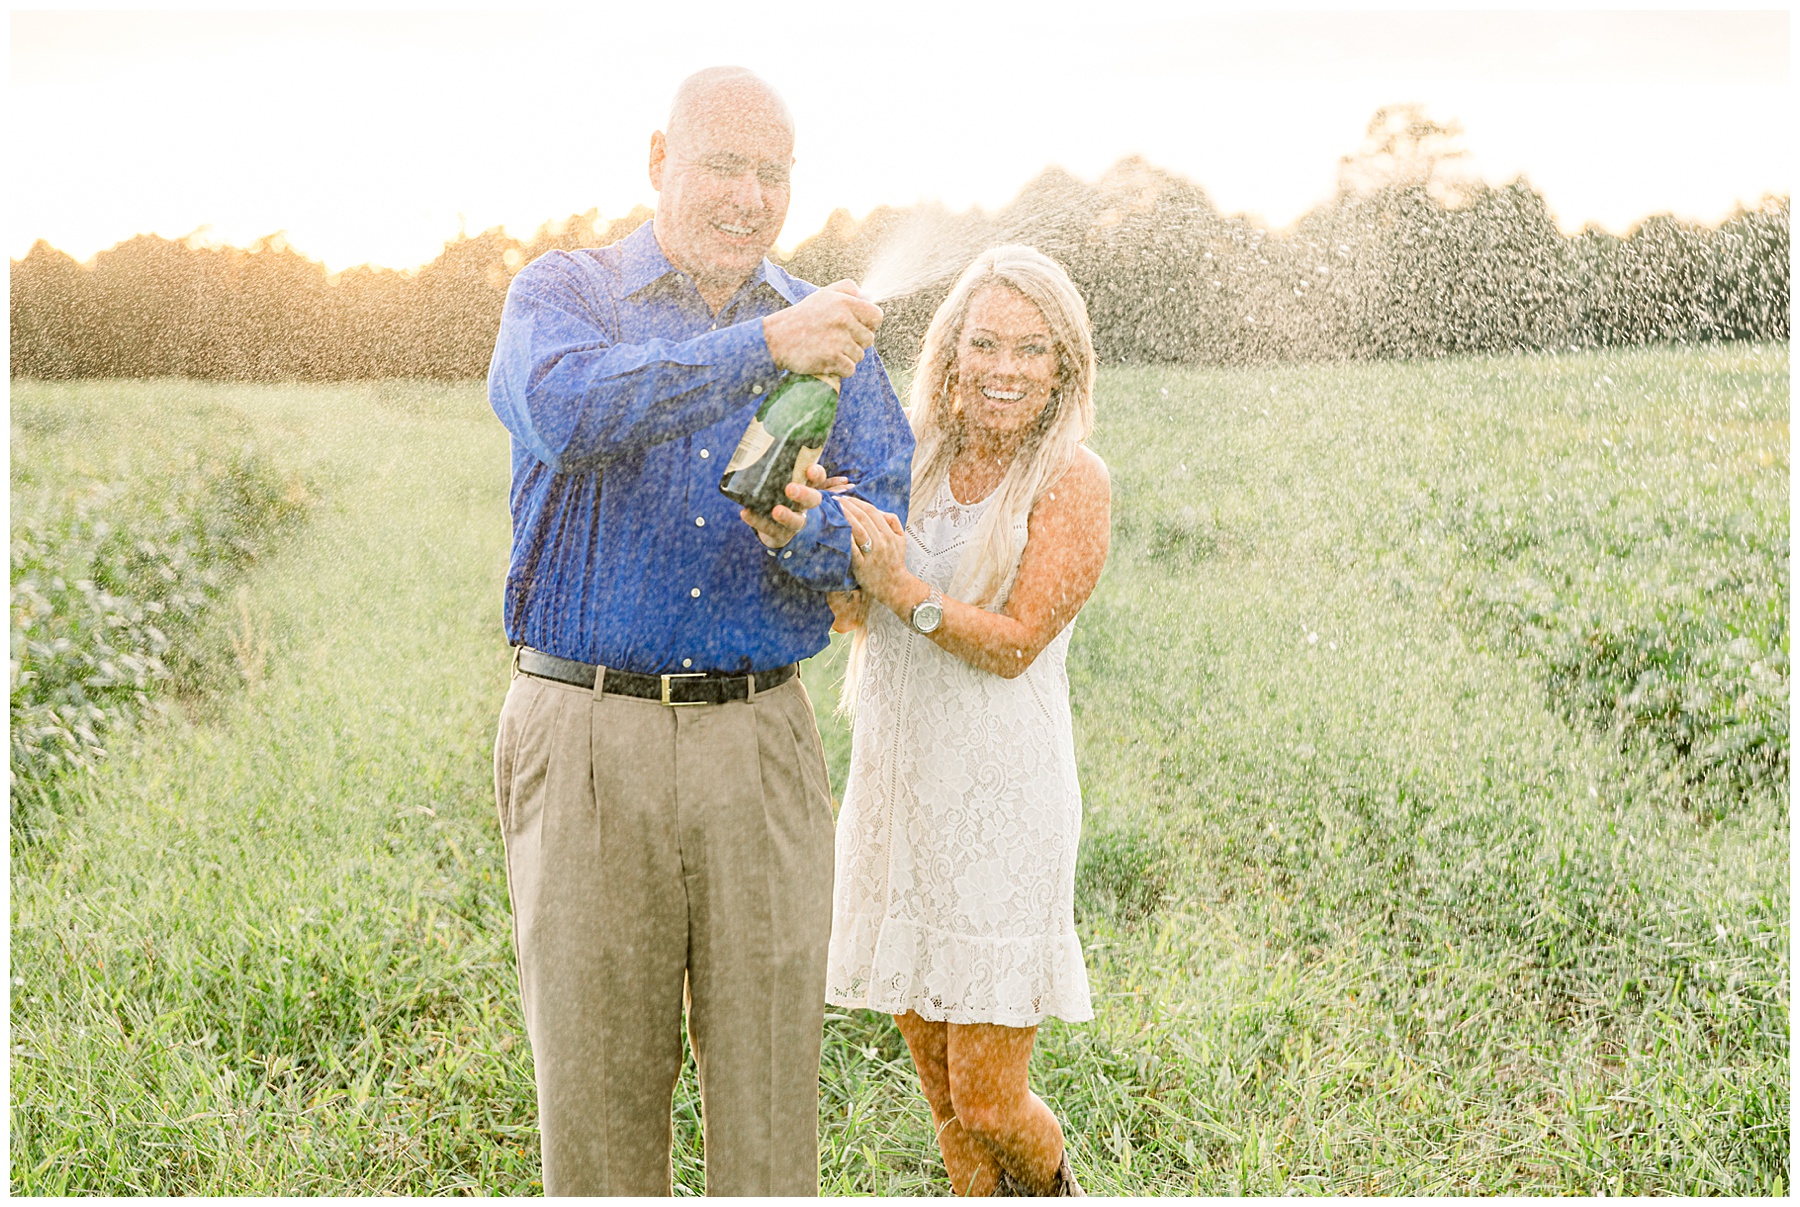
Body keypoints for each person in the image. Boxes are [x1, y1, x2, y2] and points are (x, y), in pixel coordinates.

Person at [486, 66, 913, 1196]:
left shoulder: (838, 334)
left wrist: (806, 533)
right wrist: (767, 346)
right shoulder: (565, 292)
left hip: (759, 742)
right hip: (582, 734)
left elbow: (885, 523)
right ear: (659, 159)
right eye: (724, 163)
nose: (750, 195)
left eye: (774, 173)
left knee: (770, 1127)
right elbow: (572, 412)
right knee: (598, 1117)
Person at [825, 246, 1110, 1196]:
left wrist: (904, 587)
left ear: (1063, 366)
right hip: (901, 791)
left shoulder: (1073, 480)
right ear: (949, 354)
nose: (1004, 366)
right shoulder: (906, 459)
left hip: (1001, 802)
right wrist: (820, 531)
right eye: (984, 342)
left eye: (1032, 349)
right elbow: (845, 615)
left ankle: (1066, 1191)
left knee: (991, 1100)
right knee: (945, 1100)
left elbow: (1019, 639)